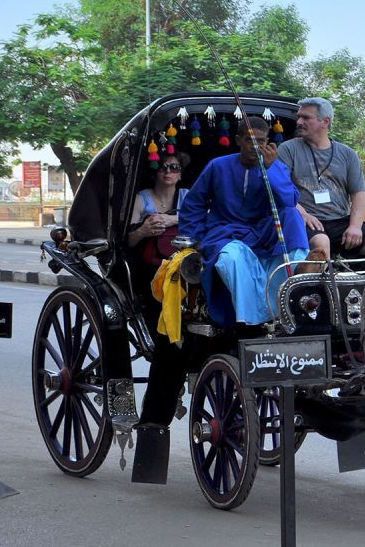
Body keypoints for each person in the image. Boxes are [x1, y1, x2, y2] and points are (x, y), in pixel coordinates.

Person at [179, 116, 309, 329]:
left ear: (268, 142)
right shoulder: (218, 166)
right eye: (250, 140)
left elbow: (289, 201)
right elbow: (193, 205)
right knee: (232, 258)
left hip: (262, 233)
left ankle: (293, 297)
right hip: (225, 232)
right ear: (238, 140)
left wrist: (270, 169)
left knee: (292, 214)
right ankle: (250, 321)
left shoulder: (275, 167)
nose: (256, 146)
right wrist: (196, 238)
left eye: (261, 141)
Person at [277, 97, 365, 269]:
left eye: (306, 117)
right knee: (321, 242)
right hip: (305, 221)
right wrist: (303, 214)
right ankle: (319, 296)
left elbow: (358, 195)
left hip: (340, 221)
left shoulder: (347, 154)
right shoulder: (287, 149)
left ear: (325, 121)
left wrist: (355, 227)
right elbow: (281, 189)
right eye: (299, 117)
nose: (299, 121)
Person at [126, 152, 191, 428]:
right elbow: (127, 239)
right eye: (163, 167)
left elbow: (205, 222)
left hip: (186, 266)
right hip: (151, 271)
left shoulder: (188, 197)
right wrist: (144, 230)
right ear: (156, 171)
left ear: (180, 173)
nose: (168, 172)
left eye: (173, 168)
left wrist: (172, 221)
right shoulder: (142, 199)